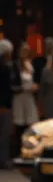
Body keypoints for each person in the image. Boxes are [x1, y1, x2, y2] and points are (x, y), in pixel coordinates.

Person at [12, 42, 39, 140]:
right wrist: (26, 88)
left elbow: (33, 79)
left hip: (29, 98)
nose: (25, 52)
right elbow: (12, 85)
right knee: (20, 125)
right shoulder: (15, 65)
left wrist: (35, 86)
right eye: (23, 50)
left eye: (27, 50)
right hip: (20, 98)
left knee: (31, 125)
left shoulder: (30, 63)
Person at [0, 39, 14, 168]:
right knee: (4, 134)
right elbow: (5, 88)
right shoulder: (4, 67)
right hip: (3, 105)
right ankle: (3, 160)